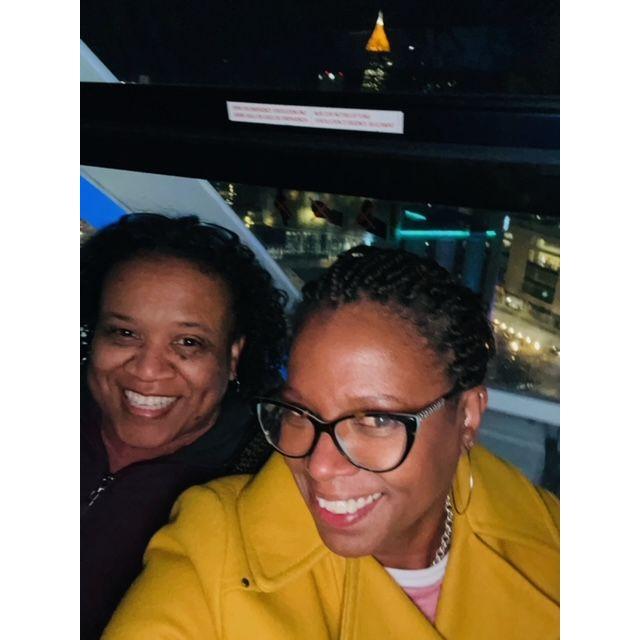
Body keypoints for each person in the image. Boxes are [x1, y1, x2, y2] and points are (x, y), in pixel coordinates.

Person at [103, 245, 559, 640]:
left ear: (467, 416)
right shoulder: (212, 543)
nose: (319, 466)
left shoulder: (551, 536)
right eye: (300, 413)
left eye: (375, 419)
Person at [81, 213, 287, 640]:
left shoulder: (265, 482)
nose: (148, 369)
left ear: (232, 357)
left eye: (188, 343)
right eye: (123, 333)